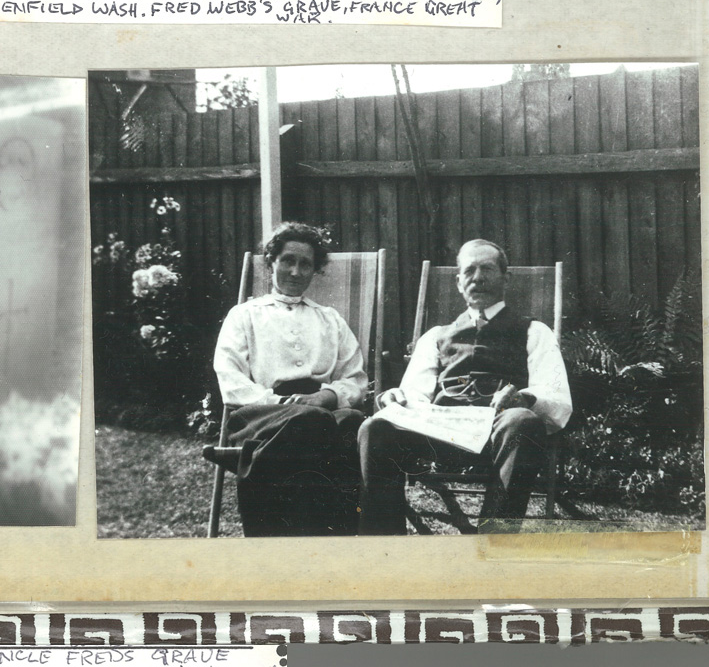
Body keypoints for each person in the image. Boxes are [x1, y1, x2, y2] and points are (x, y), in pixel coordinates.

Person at [356, 238, 571, 534]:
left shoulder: (534, 331)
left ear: (505, 278)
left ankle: (492, 544)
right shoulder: (436, 336)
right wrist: (397, 398)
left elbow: (556, 397)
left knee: (522, 420)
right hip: (440, 431)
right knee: (375, 428)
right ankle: (384, 548)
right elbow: (415, 394)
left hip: (498, 433)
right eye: (469, 271)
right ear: (459, 282)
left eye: (487, 269)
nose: (478, 278)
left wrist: (524, 398)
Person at [203, 221, 367, 536]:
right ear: (271, 262)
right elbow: (230, 376)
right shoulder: (245, 315)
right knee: (312, 421)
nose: (295, 271)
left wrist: (327, 397)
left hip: (320, 409)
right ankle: (285, 535)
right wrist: (280, 403)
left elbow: (355, 377)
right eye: (287, 261)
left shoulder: (330, 319)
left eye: (305, 263)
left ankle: (329, 536)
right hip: (261, 412)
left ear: (315, 270)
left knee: (348, 420)